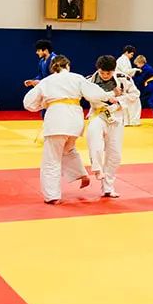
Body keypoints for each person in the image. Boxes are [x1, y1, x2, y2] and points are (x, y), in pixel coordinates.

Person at [23, 55, 112, 204]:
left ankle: (52, 196)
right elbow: (94, 94)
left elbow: (28, 103)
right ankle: (81, 174)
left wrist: (44, 104)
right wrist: (109, 96)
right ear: (68, 65)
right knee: (68, 149)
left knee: (51, 159)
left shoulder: (46, 81)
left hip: (56, 119)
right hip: (75, 121)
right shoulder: (77, 78)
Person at [86, 55, 136, 196]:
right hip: (98, 114)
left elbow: (134, 94)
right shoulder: (90, 80)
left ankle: (107, 187)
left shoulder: (123, 78)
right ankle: (96, 167)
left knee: (115, 154)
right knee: (93, 137)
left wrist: (119, 100)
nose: (105, 75)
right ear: (98, 69)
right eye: (102, 72)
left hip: (116, 117)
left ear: (113, 70)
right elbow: (86, 94)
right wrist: (110, 95)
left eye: (108, 73)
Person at [115, 45, 142, 125]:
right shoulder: (123, 59)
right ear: (127, 52)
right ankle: (132, 121)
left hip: (123, 82)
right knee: (133, 99)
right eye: (131, 54)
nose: (131, 56)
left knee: (127, 101)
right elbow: (125, 71)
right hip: (123, 82)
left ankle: (128, 121)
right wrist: (135, 69)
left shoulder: (123, 59)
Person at [134, 53, 153, 121]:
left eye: (137, 64)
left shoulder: (147, 69)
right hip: (152, 85)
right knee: (152, 101)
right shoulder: (145, 68)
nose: (137, 66)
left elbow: (140, 79)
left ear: (141, 62)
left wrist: (131, 77)